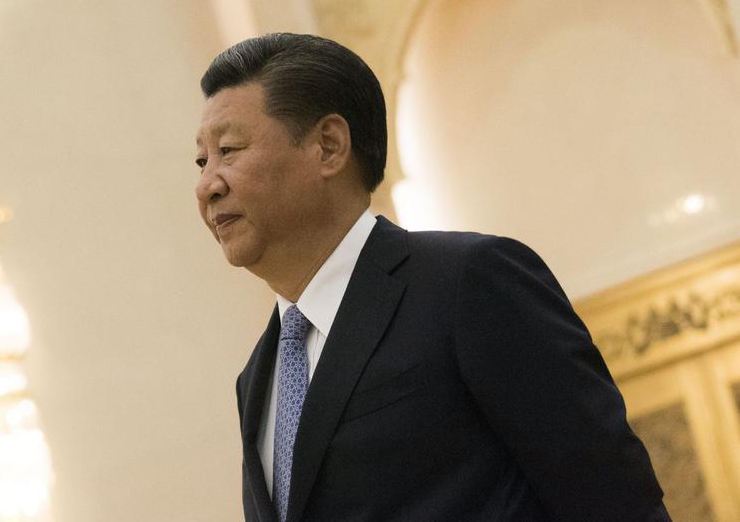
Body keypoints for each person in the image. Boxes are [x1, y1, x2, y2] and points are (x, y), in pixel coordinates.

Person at [194, 33, 669, 522]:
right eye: (202, 161)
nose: (207, 184)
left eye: (229, 150)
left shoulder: (468, 283)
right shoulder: (258, 377)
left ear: (329, 146)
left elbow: (613, 500)